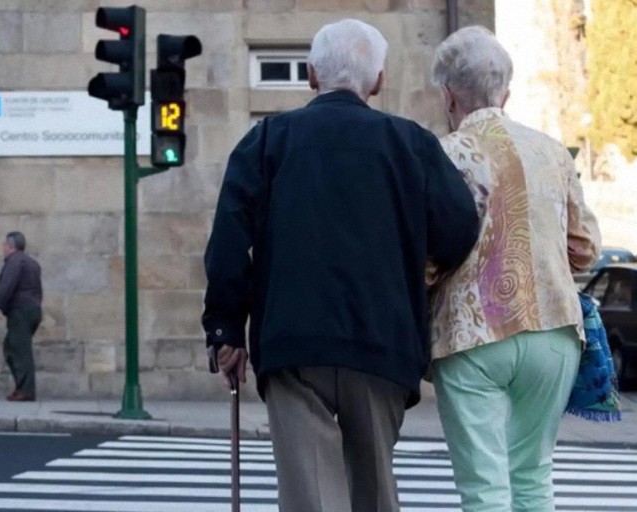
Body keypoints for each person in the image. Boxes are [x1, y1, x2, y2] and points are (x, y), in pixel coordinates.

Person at [202, 18, 480, 512]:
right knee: (373, 492)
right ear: (377, 80)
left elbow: (228, 241)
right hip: (381, 339)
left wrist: (226, 331)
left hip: (292, 342)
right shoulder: (411, 144)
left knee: (310, 497)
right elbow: (459, 230)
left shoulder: (267, 140)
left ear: (311, 75)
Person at [427, 26, 601, 511]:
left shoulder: (445, 155)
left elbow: (427, 255)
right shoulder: (552, 151)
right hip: (554, 331)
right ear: (505, 90)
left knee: (485, 488)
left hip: (471, 334)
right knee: (532, 479)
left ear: (447, 94)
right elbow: (585, 248)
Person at [0, 231, 43, 402]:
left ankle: (26, 391)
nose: (3, 248)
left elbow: (7, 286)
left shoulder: (13, 262)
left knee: (19, 351)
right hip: (33, 310)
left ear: (10, 246)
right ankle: (22, 387)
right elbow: (38, 291)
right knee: (14, 348)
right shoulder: (32, 263)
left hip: (20, 311)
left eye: (4, 244)